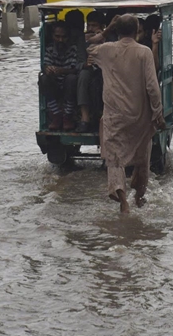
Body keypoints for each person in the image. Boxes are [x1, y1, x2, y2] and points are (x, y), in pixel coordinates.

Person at [89, 14, 165, 213]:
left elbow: (88, 47)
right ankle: (139, 196)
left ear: (116, 29)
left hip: (114, 114)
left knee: (114, 159)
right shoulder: (144, 52)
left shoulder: (105, 50)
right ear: (136, 29)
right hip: (140, 114)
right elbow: (152, 86)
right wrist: (158, 113)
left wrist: (106, 31)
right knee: (142, 155)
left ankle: (123, 201)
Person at [40, 20, 82, 131]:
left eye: (63, 37)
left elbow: (74, 70)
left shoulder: (73, 48)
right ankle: (56, 115)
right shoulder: (49, 48)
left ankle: (68, 116)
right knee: (43, 79)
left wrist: (60, 70)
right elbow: (46, 65)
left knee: (71, 79)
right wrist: (48, 69)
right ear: (53, 36)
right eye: (57, 36)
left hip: (69, 84)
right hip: (55, 84)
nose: (60, 40)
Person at [77, 11, 109, 132]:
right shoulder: (82, 39)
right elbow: (77, 62)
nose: (90, 29)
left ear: (102, 27)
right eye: (88, 25)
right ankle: (85, 118)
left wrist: (101, 40)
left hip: (106, 70)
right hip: (89, 71)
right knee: (83, 75)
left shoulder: (110, 39)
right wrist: (86, 63)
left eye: (94, 25)